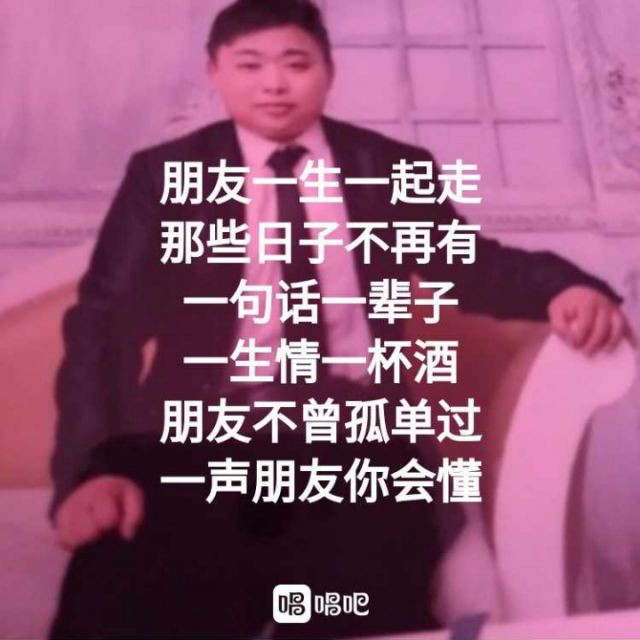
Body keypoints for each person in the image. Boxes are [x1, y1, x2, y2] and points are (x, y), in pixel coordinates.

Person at [48, 1, 631, 637]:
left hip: (355, 441)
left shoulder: (390, 168)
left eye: (295, 64)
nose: (274, 84)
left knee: (350, 608)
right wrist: (90, 469)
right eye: (250, 65)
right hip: (199, 440)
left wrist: (564, 287)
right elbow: (103, 324)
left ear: (329, 72)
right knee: (124, 592)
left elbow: (473, 265)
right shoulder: (164, 175)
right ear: (214, 73)